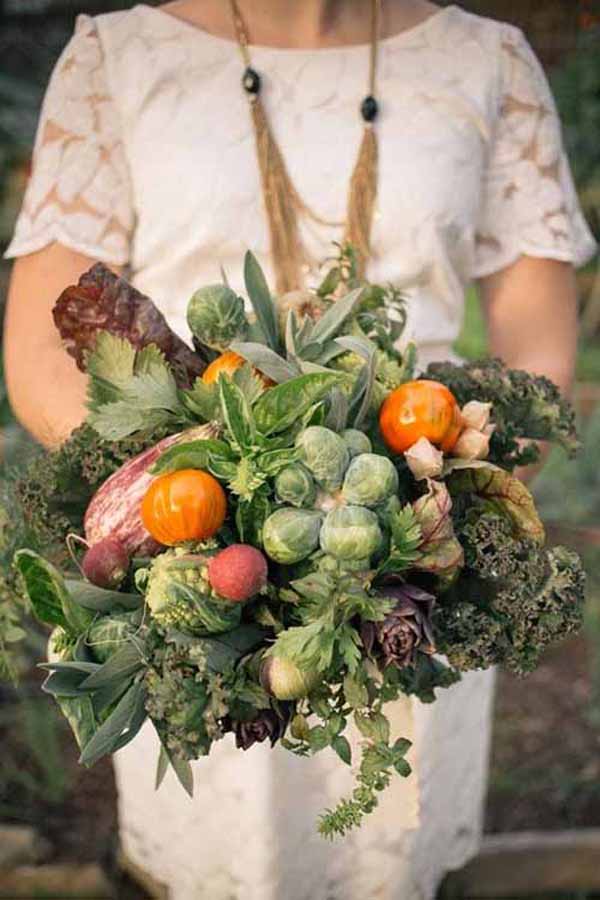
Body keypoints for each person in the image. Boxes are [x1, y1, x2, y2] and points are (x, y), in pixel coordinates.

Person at [3, 1, 597, 898]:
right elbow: (42, 347)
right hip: (193, 556)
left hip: (410, 559)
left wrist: (432, 507)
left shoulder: (488, 61)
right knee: (213, 859)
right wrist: (172, 508)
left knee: (392, 852)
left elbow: (537, 350)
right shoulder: (118, 59)